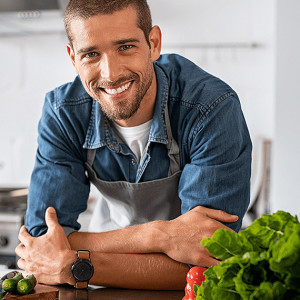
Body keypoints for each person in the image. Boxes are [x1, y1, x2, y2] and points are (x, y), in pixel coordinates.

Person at [16, 0, 252, 290]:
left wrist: (76, 265)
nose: (111, 74)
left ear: (153, 44)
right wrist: (158, 236)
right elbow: (43, 243)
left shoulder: (210, 108)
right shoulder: (63, 112)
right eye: (91, 54)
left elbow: (209, 260)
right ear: (73, 58)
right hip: (101, 284)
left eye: (125, 47)